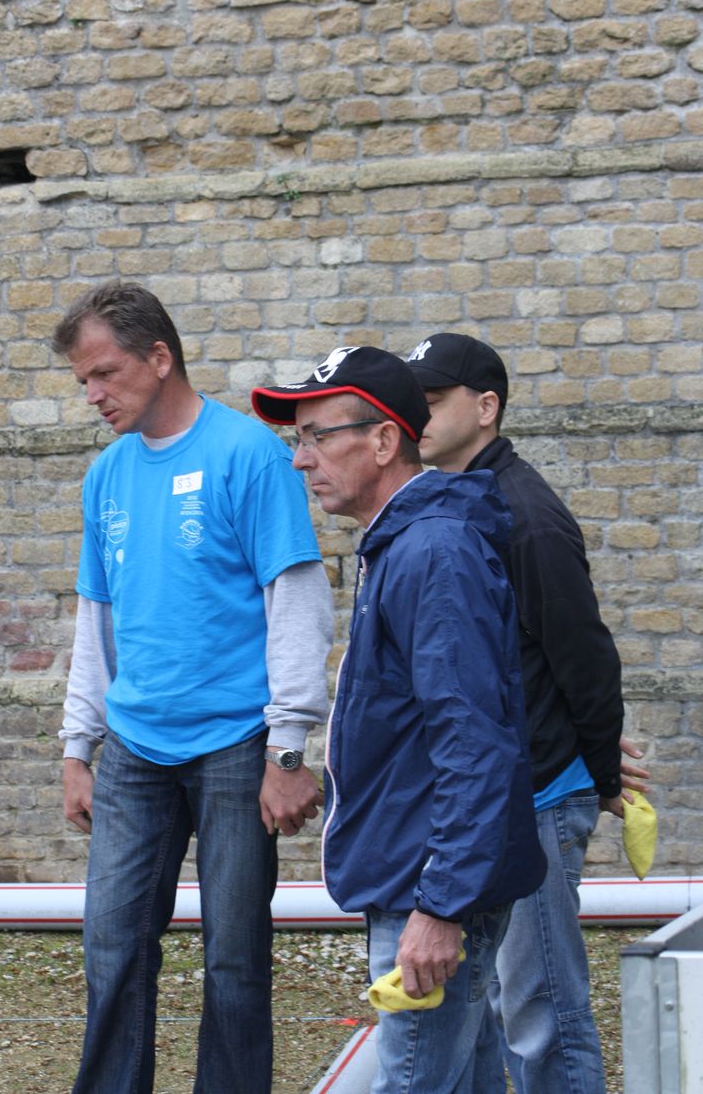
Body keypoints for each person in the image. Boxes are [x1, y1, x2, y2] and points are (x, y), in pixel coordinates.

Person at [52, 281, 333, 1094]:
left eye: (105, 373)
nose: (94, 394)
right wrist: (77, 747)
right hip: (134, 747)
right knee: (111, 946)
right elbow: (97, 619)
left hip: (237, 745)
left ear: (159, 356)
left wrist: (288, 747)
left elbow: (296, 600)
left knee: (235, 957)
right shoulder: (105, 475)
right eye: (83, 381)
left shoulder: (249, 455)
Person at [252, 345, 547, 1094]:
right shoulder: (407, 542)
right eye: (298, 439)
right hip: (425, 875)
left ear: (384, 440)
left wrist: (441, 906)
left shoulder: (432, 551)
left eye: (317, 436)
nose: (300, 459)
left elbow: (473, 742)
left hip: (430, 886)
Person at [405, 331, 650, 1094]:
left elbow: (586, 655)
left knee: (543, 1007)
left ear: (486, 407)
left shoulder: (526, 515)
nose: (417, 415)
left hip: (539, 792)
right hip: (500, 798)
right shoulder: (454, 502)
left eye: (433, 400)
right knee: (490, 1004)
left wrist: (602, 772)